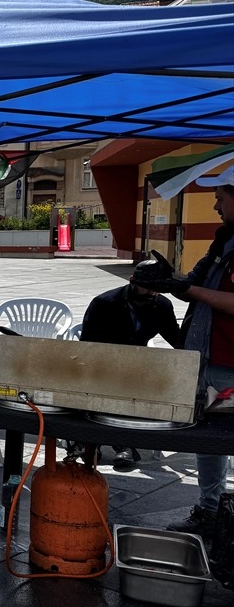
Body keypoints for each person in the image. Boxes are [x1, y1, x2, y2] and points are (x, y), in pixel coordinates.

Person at [138, 184, 234, 537]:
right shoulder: (222, 242)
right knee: (209, 440)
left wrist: (186, 289)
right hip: (204, 360)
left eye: (221, 199)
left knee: (226, 437)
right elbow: (193, 283)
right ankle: (211, 510)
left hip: (229, 365)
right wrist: (169, 278)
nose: (215, 206)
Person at [76, 262, 182, 471]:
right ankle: (91, 442)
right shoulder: (104, 303)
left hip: (137, 366)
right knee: (98, 390)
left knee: (139, 391)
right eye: (148, 288)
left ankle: (124, 444)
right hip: (102, 362)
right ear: (133, 283)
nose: (153, 293)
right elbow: (87, 345)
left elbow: (176, 339)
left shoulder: (161, 305)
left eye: (157, 289)